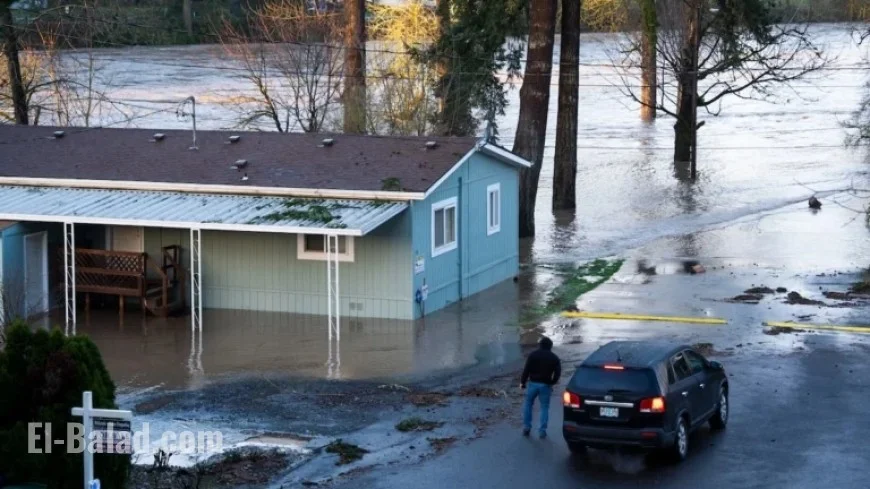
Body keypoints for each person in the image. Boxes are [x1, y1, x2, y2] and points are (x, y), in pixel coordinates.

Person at [520, 336, 561, 439]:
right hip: (545, 385)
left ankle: (526, 427)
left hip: (533, 384)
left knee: (528, 404)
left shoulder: (533, 355)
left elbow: (526, 370)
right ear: (550, 346)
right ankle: (542, 431)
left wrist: (523, 382)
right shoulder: (554, 358)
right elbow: (557, 373)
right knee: (544, 407)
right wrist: (552, 382)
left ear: (540, 345)